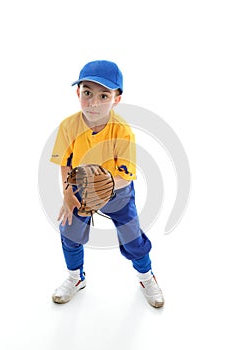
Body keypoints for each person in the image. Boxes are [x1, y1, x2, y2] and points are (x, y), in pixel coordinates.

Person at [50, 60, 164, 308]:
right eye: (88, 93)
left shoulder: (121, 131)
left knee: (132, 237)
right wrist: (68, 194)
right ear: (78, 92)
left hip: (117, 189)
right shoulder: (68, 126)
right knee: (69, 231)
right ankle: (75, 278)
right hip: (79, 188)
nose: (93, 102)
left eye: (104, 95)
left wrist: (104, 184)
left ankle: (146, 277)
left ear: (117, 99)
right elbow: (65, 163)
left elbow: (126, 174)